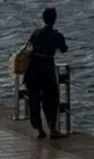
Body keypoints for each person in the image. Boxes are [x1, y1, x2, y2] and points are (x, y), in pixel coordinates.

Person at [23, 7, 68, 139]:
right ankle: (52, 128)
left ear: (43, 19)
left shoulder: (36, 33)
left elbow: (27, 46)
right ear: (55, 20)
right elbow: (64, 49)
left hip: (33, 69)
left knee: (34, 99)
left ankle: (39, 129)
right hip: (47, 69)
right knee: (51, 99)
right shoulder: (57, 35)